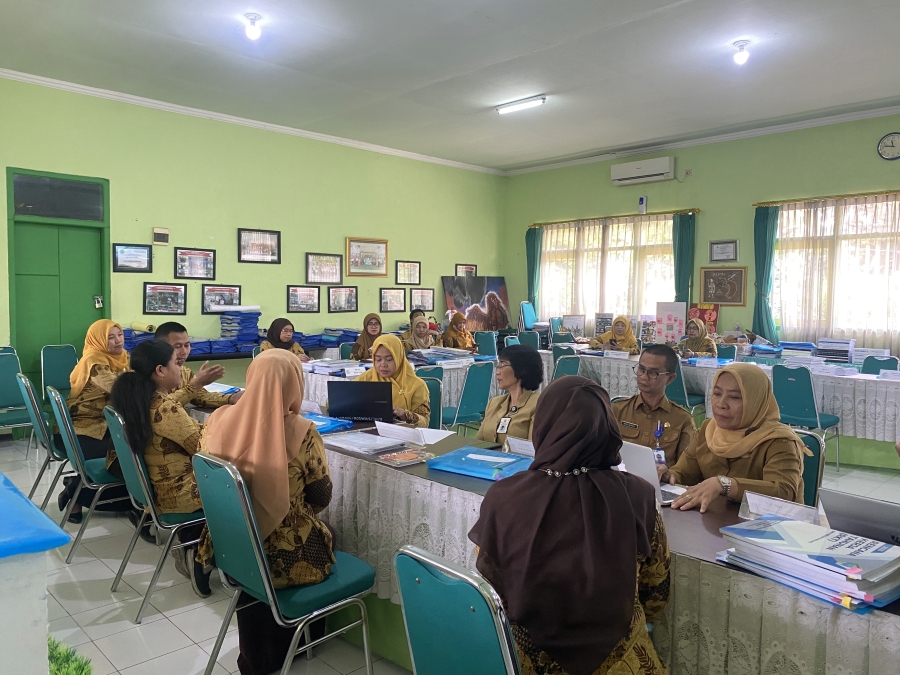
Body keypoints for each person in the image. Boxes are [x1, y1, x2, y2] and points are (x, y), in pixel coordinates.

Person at [469, 376, 669, 675]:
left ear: (544, 425)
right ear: (607, 426)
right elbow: (655, 595)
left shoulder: (504, 497)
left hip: (523, 661)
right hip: (622, 661)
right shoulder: (639, 495)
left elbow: (491, 588)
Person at [198, 349, 335, 675]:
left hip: (230, 544)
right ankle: (300, 639)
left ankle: (257, 653)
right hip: (283, 556)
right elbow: (321, 495)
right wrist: (294, 510)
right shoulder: (302, 431)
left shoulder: (218, 420)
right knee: (327, 534)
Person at [109, 340, 211, 597]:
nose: (181, 369)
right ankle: (204, 556)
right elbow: (202, 448)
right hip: (178, 493)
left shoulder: (141, 399)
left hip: (156, 489)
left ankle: (191, 544)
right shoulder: (165, 409)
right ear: (160, 371)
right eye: (176, 363)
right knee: (244, 482)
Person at [658, 363, 809, 512]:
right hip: (717, 520)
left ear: (755, 402)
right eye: (717, 394)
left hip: (769, 524)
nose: (721, 404)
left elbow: (783, 492)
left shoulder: (779, 440)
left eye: (734, 397)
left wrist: (726, 485)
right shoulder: (709, 430)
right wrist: (669, 476)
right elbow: (684, 473)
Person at [59, 319, 130, 523]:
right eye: (110, 337)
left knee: (133, 450)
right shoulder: (95, 362)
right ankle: (77, 493)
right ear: (98, 340)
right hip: (84, 428)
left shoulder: (122, 358)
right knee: (127, 457)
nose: (118, 340)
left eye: (120, 335)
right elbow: (121, 390)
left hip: (103, 425)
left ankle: (76, 486)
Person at [612, 344, 695, 465]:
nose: (644, 377)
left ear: (670, 378)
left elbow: (685, 468)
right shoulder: (618, 410)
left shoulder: (682, 420)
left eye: (653, 373)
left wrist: (668, 473)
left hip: (662, 477)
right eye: (641, 369)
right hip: (623, 475)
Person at [155, 322, 243, 407]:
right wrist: (196, 384)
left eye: (187, 345)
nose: (184, 352)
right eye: (177, 346)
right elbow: (162, 404)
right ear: (161, 348)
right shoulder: (152, 373)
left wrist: (231, 398)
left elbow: (199, 396)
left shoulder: (185, 372)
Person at [355, 335, 431, 427]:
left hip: (403, 433)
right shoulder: (365, 378)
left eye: (389, 359)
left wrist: (404, 414)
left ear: (399, 358)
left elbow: (424, 423)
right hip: (366, 431)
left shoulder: (417, 385)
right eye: (378, 359)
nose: (383, 364)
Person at [476, 345, 543, 443]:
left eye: (503, 365)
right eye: (498, 366)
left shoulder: (539, 404)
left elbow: (533, 449)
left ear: (521, 369)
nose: (497, 372)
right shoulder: (494, 403)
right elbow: (478, 443)